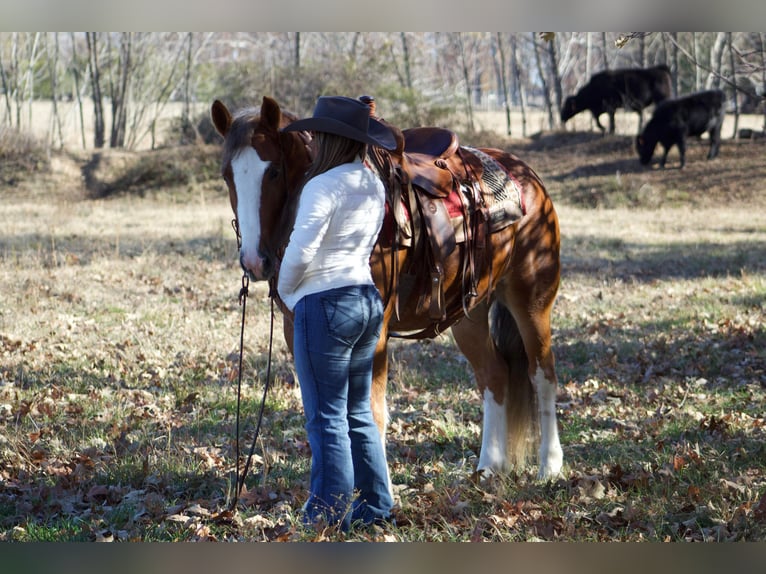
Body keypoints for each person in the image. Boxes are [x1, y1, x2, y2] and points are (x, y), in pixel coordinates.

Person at [278, 96, 397, 532]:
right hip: (366, 301)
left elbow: (300, 252)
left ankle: (327, 516)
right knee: (358, 414)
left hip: (325, 304)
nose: (308, 143)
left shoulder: (321, 186)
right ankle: (377, 509)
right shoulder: (371, 182)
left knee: (326, 417)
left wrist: (286, 292)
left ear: (330, 139)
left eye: (315, 135)